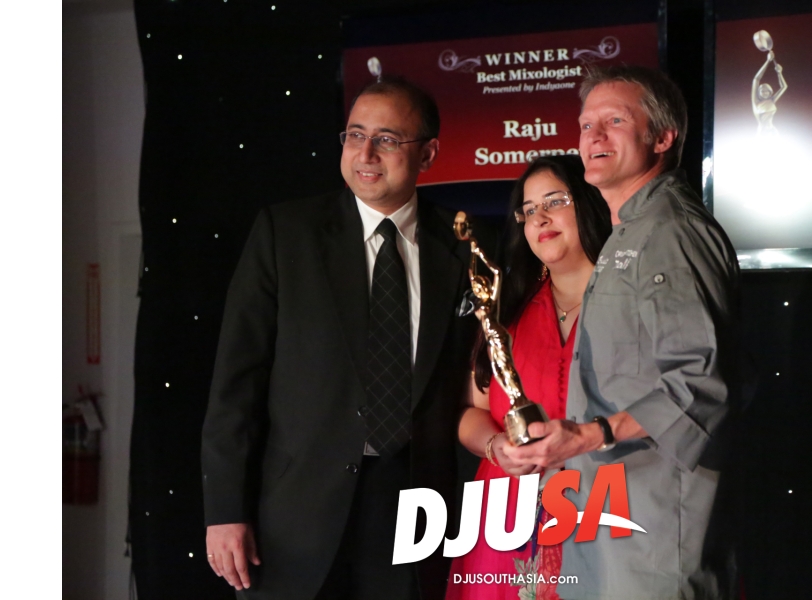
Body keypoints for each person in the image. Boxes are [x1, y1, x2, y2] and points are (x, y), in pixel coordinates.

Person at [201, 76, 478, 600]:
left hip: (418, 514)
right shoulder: (286, 233)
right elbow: (236, 382)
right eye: (355, 135)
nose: (365, 153)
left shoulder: (466, 245)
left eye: (387, 139)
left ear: (429, 153)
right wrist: (225, 510)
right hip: (293, 517)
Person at [505, 66, 742, 599]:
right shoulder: (628, 233)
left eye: (614, 121)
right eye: (586, 125)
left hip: (653, 536)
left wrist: (591, 434)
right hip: (609, 526)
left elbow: (699, 386)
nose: (593, 136)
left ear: (662, 137)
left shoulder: (671, 231)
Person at [447, 156, 612, 600]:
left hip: (608, 510)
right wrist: (495, 446)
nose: (540, 218)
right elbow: (470, 413)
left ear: (590, 203)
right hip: (508, 521)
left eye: (555, 201)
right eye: (529, 209)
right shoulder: (509, 310)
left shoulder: (631, 303)